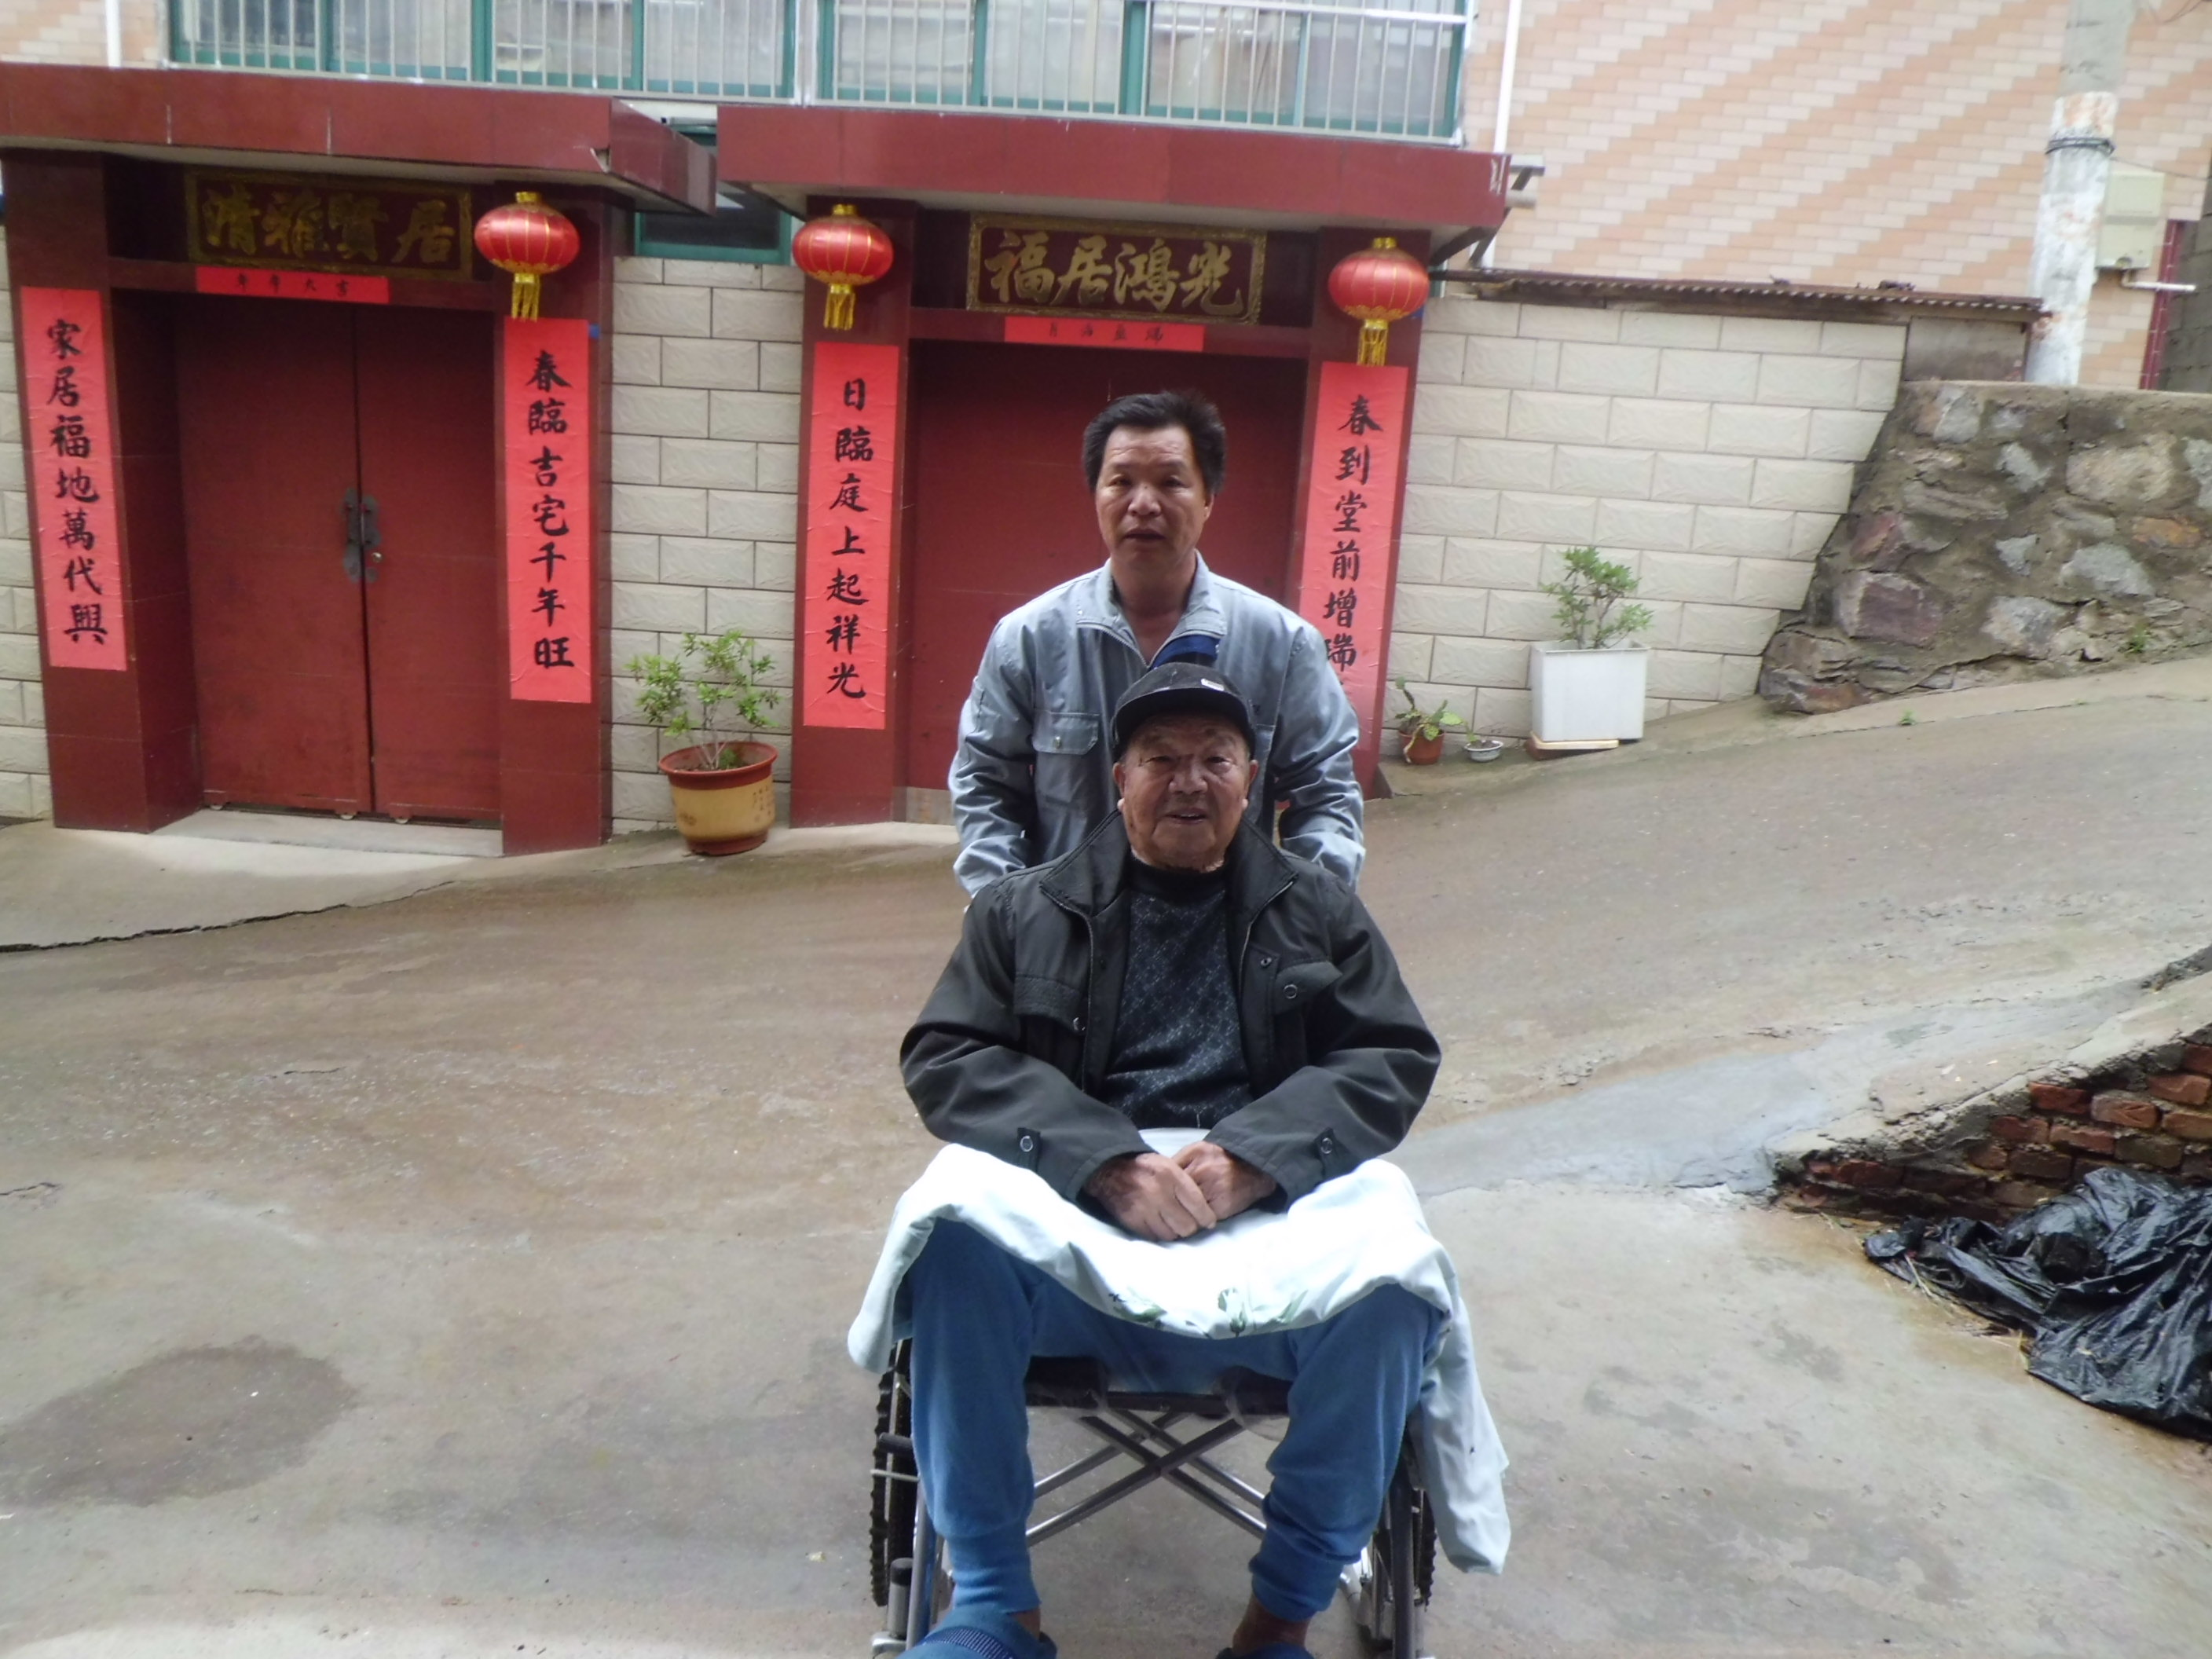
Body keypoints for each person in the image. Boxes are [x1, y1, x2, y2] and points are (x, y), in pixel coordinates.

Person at [899, 664, 1441, 1659]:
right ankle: (993, 1610)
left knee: (1396, 1284)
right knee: (950, 1240)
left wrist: (1255, 1158)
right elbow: (948, 1057)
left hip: (1264, 1222)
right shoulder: (1023, 909)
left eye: (1213, 759)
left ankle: (1278, 1622)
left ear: (1251, 780)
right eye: (1160, 758)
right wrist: (1102, 1160)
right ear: (1119, 779)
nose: (1188, 781)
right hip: (1079, 1225)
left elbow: (1389, 1056)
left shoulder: (1318, 909)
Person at [949, 389, 1364, 898]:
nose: (1143, 504)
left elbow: (1326, 795)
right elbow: (984, 784)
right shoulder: (1029, 640)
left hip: (1228, 931)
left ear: (1208, 499)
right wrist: (1007, 913)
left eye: (1171, 482)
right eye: (1121, 482)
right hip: (1068, 930)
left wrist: (1306, 917)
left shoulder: (1284, 645)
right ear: (1096, 496)